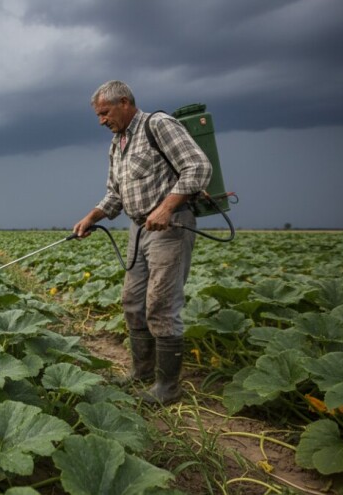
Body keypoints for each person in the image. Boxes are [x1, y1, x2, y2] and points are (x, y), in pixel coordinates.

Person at [73, 80, 212, 405]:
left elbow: (198, 166)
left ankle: (168, 387)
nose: (101, 121)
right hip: (138, 229)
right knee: (133, 302)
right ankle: (142, 372)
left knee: (161, 305)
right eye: (98, 115)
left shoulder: (158, 125)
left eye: (104, 113)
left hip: (170, 227)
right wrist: (92, 216)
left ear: (124, 102)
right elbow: (114, 194)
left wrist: (166, 207)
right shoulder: (117, 144)